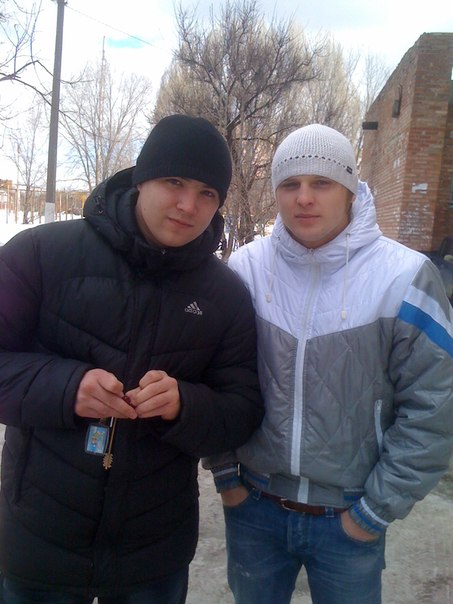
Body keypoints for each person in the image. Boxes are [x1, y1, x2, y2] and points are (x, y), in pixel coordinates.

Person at [0, 114, 264, 604]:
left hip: (153, 553)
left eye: (207, 192)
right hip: (39, 537)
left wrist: (183, 404)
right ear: (142, 178)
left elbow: (242, 411)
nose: (188, 205)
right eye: (174, 182)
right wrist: (66, 387)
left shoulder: (225, 295)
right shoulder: (40, 254)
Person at [205, 124, 453, 604]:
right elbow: (212, 376)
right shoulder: (245, 269)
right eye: (290, 184)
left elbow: (432, 408)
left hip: (349, 518)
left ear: (350, 190)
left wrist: (373, 513)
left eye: (322, 182)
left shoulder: (403, 276)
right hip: (254, 507)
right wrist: (225, 476)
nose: (304, 198)